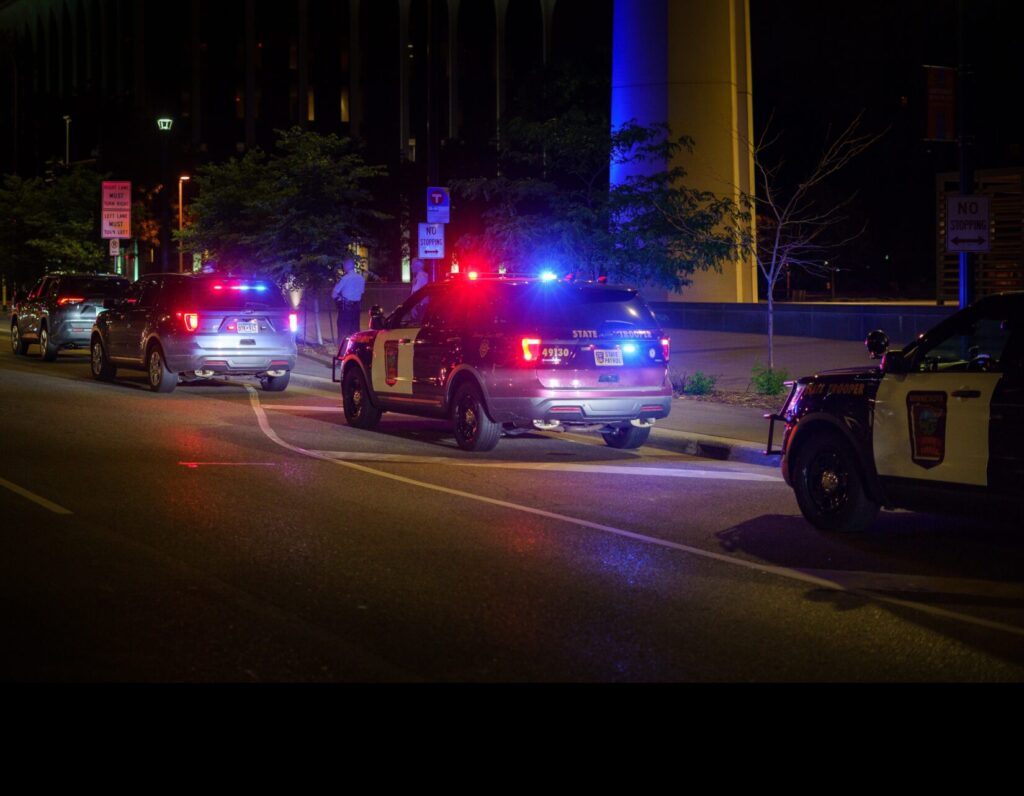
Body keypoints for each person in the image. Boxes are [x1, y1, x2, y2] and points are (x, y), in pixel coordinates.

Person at [332, 256, 365, 341]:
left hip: (345, 308)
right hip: (357, 308)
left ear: (345, 266)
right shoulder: (361, 278)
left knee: (343, 331)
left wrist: (339, 299)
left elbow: (334, 294)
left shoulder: (345, 278)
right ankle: (354, 350)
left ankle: (342, 352)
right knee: (355, 332)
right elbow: (361, 292)